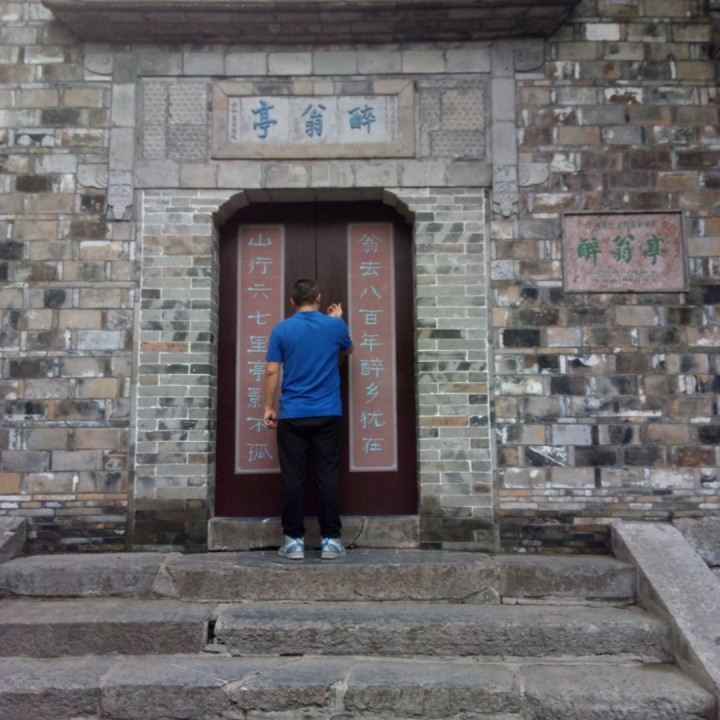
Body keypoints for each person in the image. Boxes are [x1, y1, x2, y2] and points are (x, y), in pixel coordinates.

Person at [262, 278, 354, 560]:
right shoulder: (336, 326)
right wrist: (338, 320)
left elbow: (271, 371)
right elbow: (347, 349)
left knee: (293, 478)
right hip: (328, 413)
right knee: (328, 476)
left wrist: (268, 407)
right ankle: (331, 542)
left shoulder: (281, 329)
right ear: (319, 298)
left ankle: (293, 542)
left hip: (293, 414)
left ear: (292, 302)